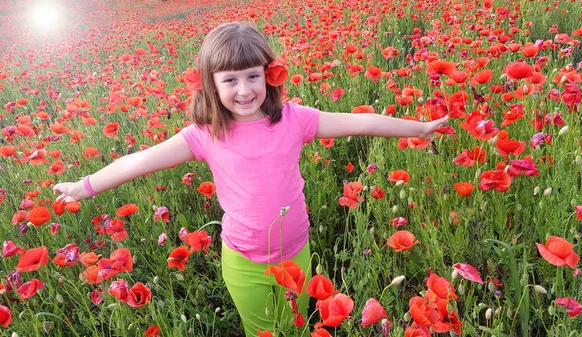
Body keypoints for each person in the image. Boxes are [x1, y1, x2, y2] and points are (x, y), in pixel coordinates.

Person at [53, 22, 448, 336]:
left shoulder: (294, 119)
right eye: (230, 80)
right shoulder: (205, 134)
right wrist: (82, 186)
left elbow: (360, 122)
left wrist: (418, 126)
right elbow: (137, 163)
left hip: (297, 252)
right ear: (211, 84)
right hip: (243, 262)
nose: (244, 90)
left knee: (295, 324)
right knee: (263, 332)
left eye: (253, 77)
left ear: (269, 75)